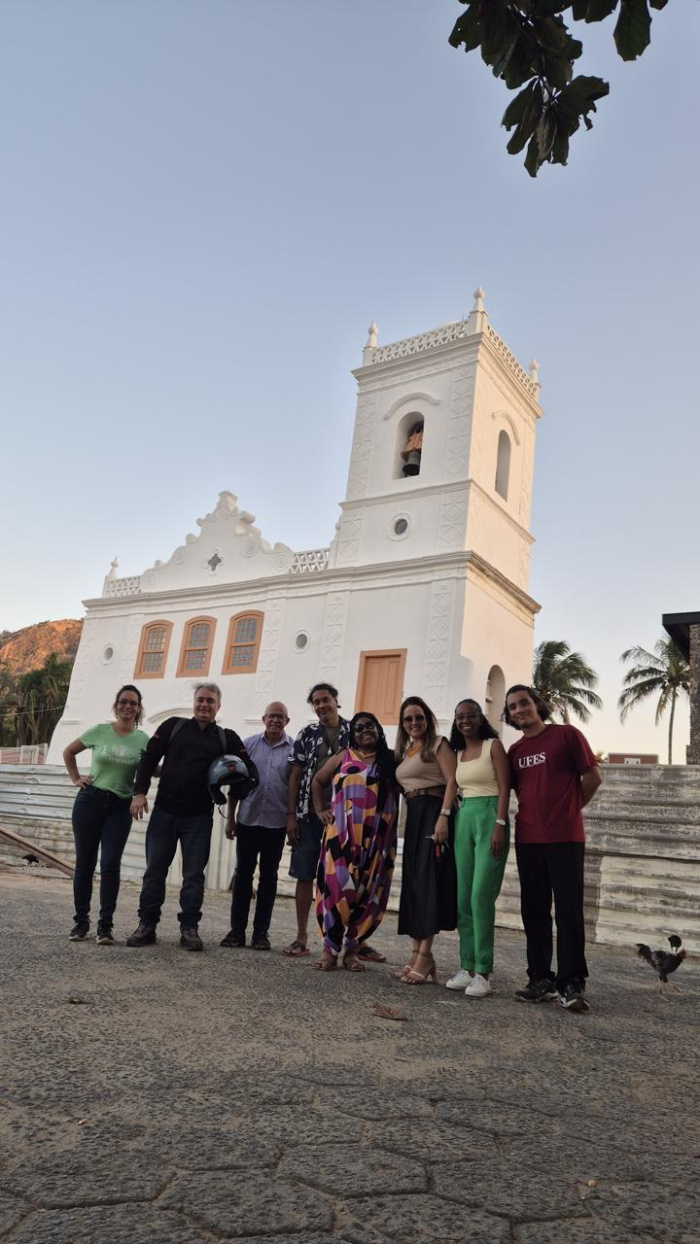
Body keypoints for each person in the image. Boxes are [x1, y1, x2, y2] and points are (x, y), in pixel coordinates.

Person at [126, 683, 254, 952]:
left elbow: (249, 772)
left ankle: (189, 929)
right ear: (193, 702)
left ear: (218, 706)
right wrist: (139, 793)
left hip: (198, 817)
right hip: (164, 812)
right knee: (154, 872)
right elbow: (148, 759)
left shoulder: (226, 737)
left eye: (210, 701)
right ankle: (146, 925)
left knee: (194, 876)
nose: (204, 705)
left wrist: (234, 786)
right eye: (200, 700)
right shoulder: (173, 726)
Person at [505, 684, 602, 1012]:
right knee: (533, 911)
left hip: (565, 837)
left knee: (569, 910)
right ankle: (540, 979)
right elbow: (520, 792)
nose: (520, 710)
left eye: (524, 703)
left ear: (537, 705)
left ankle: (571, 982)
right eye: (513, 707)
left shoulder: (567, 736)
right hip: (528, 838)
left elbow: (593, 777)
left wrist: (572, 808)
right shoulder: (515, 752)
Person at [311, 712, 398, 972]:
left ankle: (351, 951)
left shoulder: (391, 760)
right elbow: (318, 781)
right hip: (341, 836)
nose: (364, 731)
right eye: (358, 728)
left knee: (367, 893)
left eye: (369, 726)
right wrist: (320, 809)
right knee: (335, 891)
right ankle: (329, 950)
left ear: (378, 729)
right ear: (353, 733)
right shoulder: (343, 756)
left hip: (377, 839)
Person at [62, 685, 149, 944]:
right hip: (90, 801)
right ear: (116, 705)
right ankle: (80, 924)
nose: (127, 706)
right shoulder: (99, 731)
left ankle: (105, 927)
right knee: (85, 864)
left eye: (133, 703)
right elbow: (69, 752)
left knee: (110, 865)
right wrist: (76, 778)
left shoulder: (142, 739)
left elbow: (150, 769)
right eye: (123, 702)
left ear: (138, 708)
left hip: (120, 806)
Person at [445, 699, 510, 998]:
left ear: (480, 718)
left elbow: (505, 786)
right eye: (460, 716)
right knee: (461, 897)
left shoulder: (492, 746)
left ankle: (483, 972)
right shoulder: (458, 752)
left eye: (471, 715)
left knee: (480, 896)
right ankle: (467, 966)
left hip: (489, 817)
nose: (465, 720)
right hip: (464, 818)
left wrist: (499, 822)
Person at [282, 683, 350, 958]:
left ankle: (350, 940)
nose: (322, 706)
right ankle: (301, 937)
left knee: (344, 879)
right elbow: (295, 775)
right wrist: (291, 817)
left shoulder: (353, 731)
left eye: (326, 700)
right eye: (316, 703)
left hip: (344, 817)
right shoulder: (307, 733)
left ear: (336, 701)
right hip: (308, 816)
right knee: (304, 875)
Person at [394, 696, 458, 985]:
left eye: (418, 717)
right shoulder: (407, 750)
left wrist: (443, 817)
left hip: (434, 812)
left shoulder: (438, 743)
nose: (414, 723)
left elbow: (452, 781)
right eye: (408, 719)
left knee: (429, 881)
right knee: (415, 884)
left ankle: (426, 954)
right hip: (414, 815)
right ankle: (416, 952)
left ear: (428, 718)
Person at [220, 702, 293, 951]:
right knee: (243, 876)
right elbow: (234, 781)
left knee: (269, 878)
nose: (275, 720)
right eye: (272, 716)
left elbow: (294, 787)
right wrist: (231, 817)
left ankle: (261, 934)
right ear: (263, 718)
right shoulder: (248, 745)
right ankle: (236, 932)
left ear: (287, 721)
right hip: (248, 821)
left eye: (280, 717)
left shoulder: (293, 750)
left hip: (276, 824)